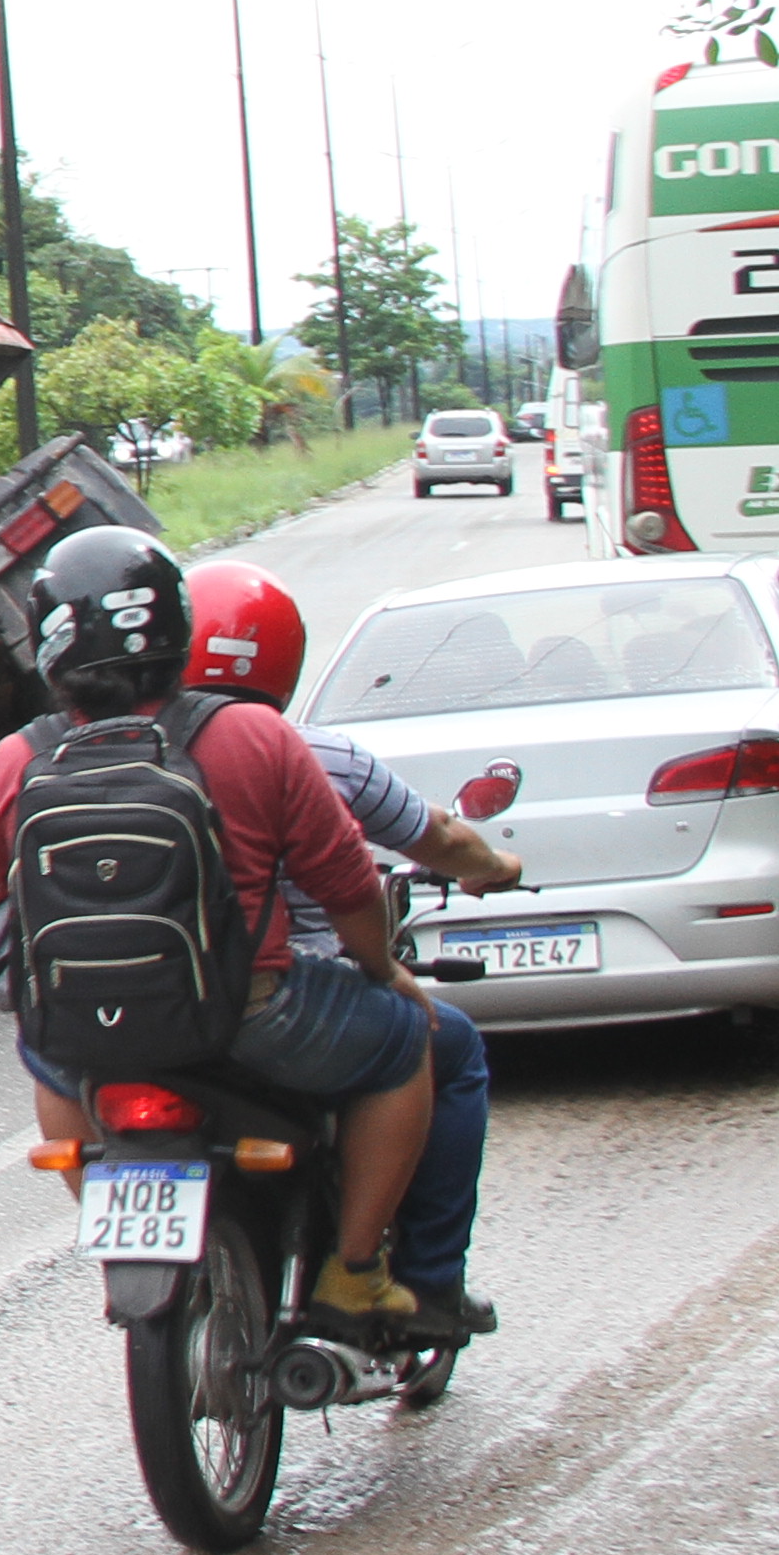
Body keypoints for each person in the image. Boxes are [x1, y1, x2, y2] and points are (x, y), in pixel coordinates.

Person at [0, 525, 450, 1340]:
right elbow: (347, 884)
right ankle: (355, 1273)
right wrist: (382, 969)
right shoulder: (252, 735)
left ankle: (124, 1230)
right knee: (405, 1045)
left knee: (44, 1046)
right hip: (255, 1016)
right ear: (178, 631)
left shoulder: (19, 757)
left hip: (93, 1033)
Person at [184, 559, 518, 1339]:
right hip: (284, 1001)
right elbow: (397, 857)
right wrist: (395, 960)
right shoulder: (306, 753)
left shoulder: (92, 749)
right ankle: (404, 1277)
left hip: (127, 1006)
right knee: (443, 1045)